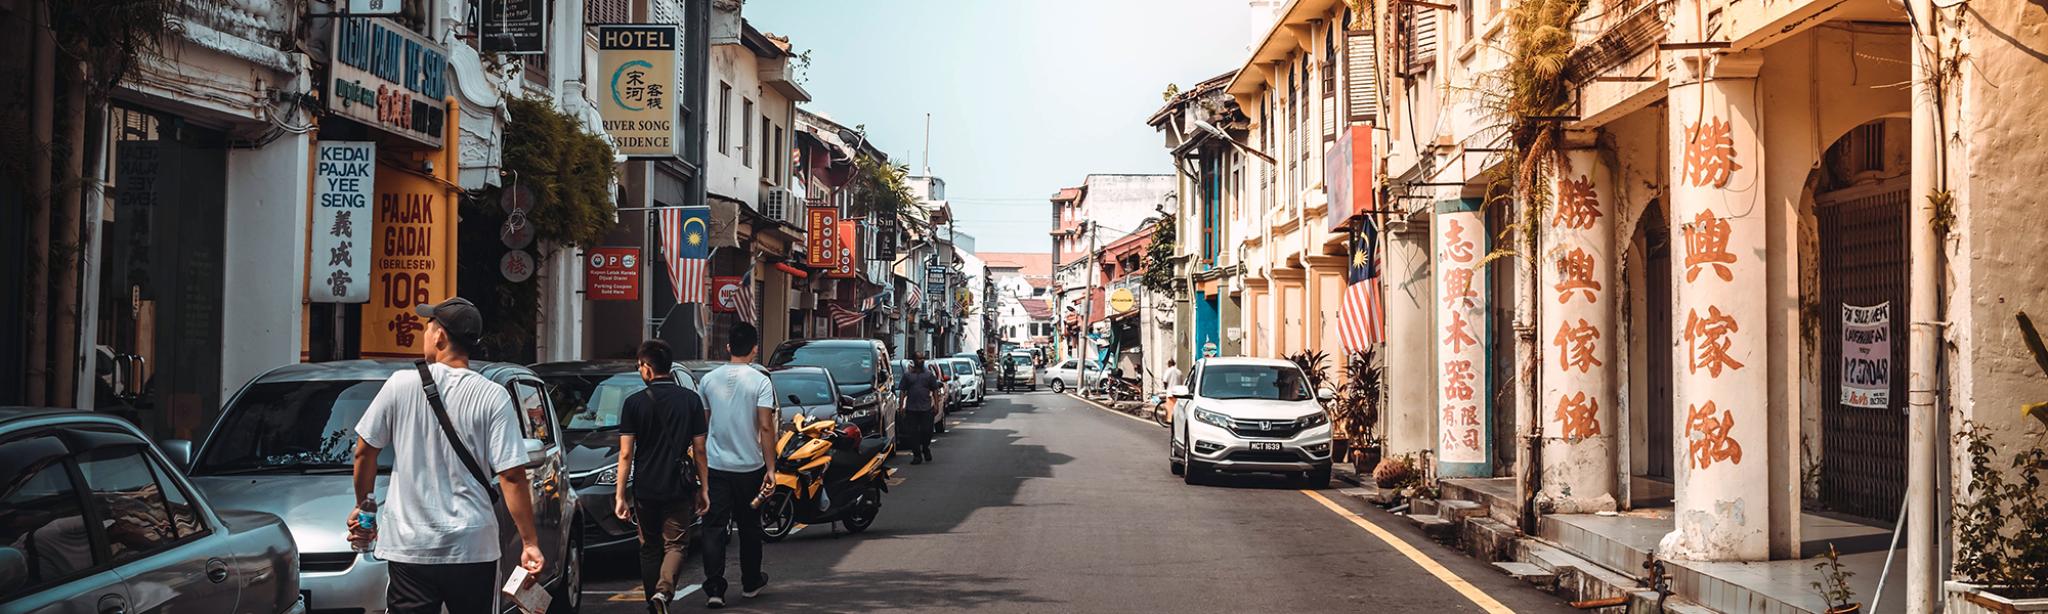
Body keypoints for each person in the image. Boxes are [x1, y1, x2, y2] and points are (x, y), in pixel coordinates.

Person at [347, 297, 544, 614]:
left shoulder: (400, 384)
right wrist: (529, 542)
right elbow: (511, 475)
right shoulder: (493, 396)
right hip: (472, 545)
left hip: (409, 546)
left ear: (439, 336)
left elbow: (364, 452)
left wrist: (363, 505)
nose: (425, 335)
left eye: (428, 327)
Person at [614, 340, 709, 614]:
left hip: (645, 486)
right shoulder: (691, 400)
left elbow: (625, 454)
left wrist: (621, 495)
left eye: (638, 366)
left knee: (649, 547)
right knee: (677, 544)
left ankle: (652, 600)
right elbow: (700, 450)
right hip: (678, 485)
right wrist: (704, 488)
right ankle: (663, 593)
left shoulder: (633, 403)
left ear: (646, 368)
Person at [695, 322, 778, 608]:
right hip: (750, 468)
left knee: (713, 528)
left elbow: (702, 429)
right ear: (755, 348)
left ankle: (715, 589)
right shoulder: (760, 381)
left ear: (728, 347)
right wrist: (770, 468)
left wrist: (699, 464)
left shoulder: (708, 380)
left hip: (716, 468)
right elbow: (766, 427)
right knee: (750, 527)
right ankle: (751, 581)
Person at [898, 354, 945, 465]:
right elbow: (902, 391)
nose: (921, 360)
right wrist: (901, 406)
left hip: (926, 408)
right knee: (913, 433)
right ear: (914, 360)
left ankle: (925, 447)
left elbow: (934, 390)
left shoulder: (928, 375)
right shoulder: (907, 375)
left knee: (927, 431)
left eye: (923, 358)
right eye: (919, 358)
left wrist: (937, 405)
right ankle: (917, 455)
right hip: (911, 409)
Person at [1161, 358, 1184, 423]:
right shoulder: (1179, 371)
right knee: (1177, 407)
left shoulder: (1168, 371)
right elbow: (1182, 382)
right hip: (1178, 392)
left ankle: (1170, 420)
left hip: (1170, 392)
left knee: (1169, 407)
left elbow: (1165, 381)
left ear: (1170, 364)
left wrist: (1165, 388)